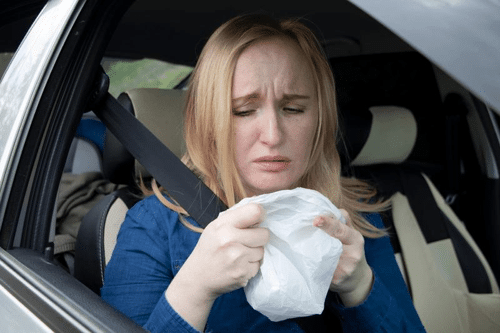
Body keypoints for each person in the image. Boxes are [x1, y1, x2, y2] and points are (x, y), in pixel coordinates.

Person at [101, 14, 426, 332]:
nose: (273, 135)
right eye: (243, 110)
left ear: (320, 120)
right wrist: (195, 287)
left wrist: (359, 288)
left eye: (294, 108)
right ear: (209, 122)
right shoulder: (154, 225)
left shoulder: (352, 220)